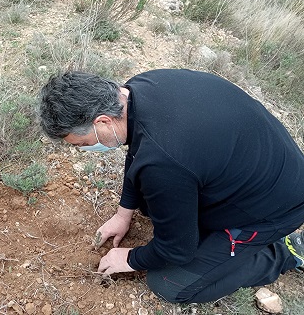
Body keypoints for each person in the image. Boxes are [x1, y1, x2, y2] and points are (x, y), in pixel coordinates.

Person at [38, 69, 304, 303]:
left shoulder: (164, 162)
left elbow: (177, 249)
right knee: (152, 201)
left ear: (103, 122)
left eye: (82, 143)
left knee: (169, 284)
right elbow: (139, 152)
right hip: (261, 167)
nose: (84, 149)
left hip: (276, 207)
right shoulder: (138, 89)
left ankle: (284, 253)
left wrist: (129, 259)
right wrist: (123, 213)